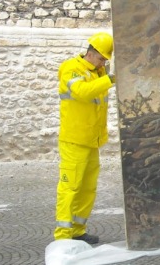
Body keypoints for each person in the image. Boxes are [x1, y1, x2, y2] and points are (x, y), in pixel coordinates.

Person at [54, 32, 116, 245]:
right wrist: (109, 79)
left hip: (92, 141)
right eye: (101, 59)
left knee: (88, 187)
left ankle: (78, 230)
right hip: (74, 139)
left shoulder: (97, 72)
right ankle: (62, 235)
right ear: (91, 53)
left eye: (105, 61)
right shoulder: (72, 68)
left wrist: (104, 76)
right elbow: (82, 92)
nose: (103, 63)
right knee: (70, 187)